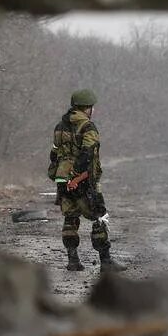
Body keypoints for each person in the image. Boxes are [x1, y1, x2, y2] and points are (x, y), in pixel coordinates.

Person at [47, 89, 126, 272]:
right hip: (82, 178)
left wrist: (60, 175)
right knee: (99, 215)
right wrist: (77, 175)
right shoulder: (88, 127)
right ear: (87, 108)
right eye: (91, 107)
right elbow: (88, 153)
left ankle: (73, 260)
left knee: (70, 217)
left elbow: (54, 152)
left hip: (62, 177)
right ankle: (105, 261)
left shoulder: (60, 126)